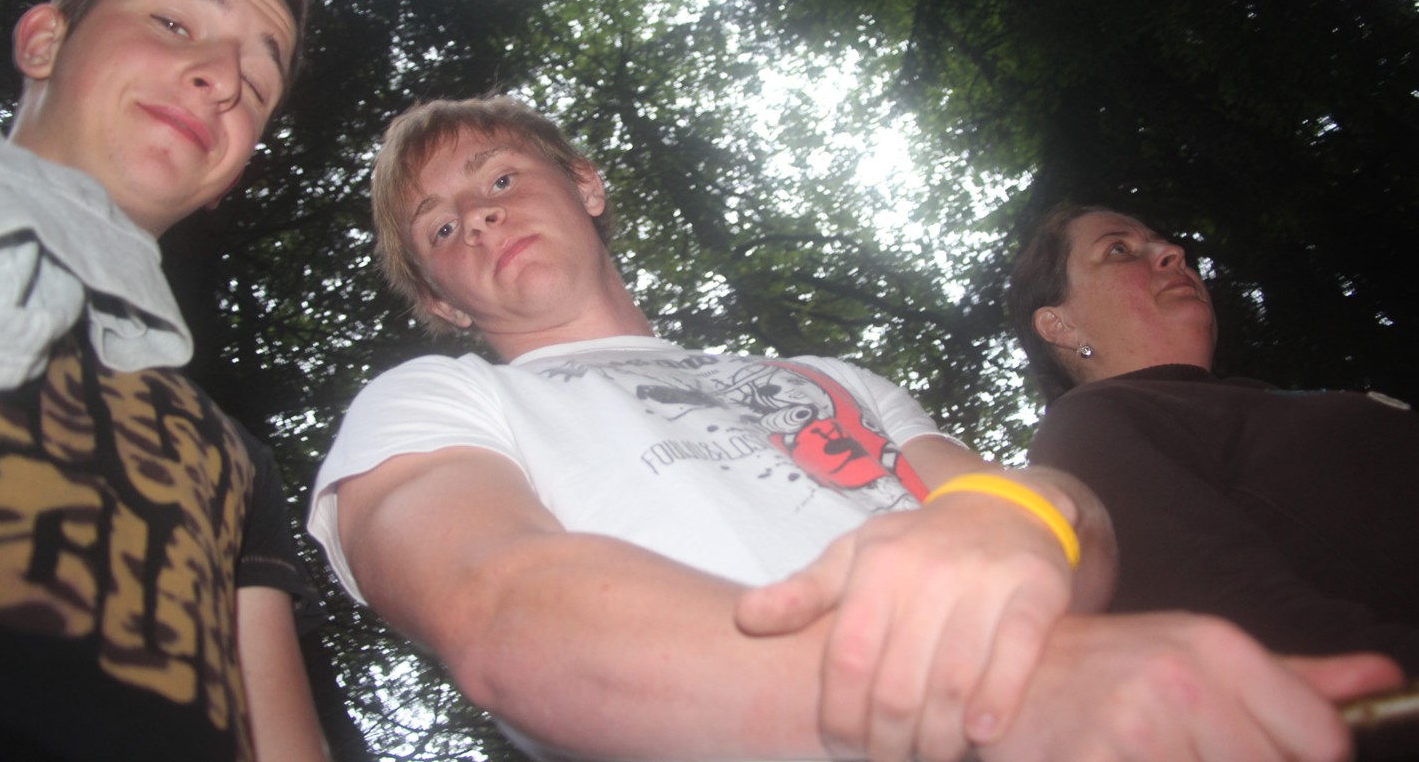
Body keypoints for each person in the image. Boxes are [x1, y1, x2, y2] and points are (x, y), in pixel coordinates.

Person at [308, 96, 1400, 762]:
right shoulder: (436, 403)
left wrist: (1013, 519)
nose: (480, 215)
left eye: (500, 177)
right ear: (442, 300)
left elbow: (1056, 509)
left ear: (585, 186)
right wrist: (975, 701)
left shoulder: (825, 377)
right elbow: (498, 610)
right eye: (440, 227)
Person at [0, 0, 331, 762]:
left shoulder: (234, 459)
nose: (223, 80)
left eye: (257, 86)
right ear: (45, 40)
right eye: (175, 23)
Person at [1011, 204, 1419, 678]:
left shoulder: (1250, 399)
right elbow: (1254, 640)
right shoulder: (1091, 424)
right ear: (1059, 325)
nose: (1172, 251)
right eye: (1118, 250)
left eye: (1159, 240)